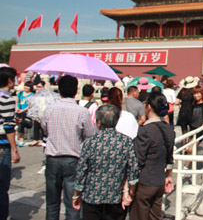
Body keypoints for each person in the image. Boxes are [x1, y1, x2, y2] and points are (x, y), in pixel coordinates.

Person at [41, 75, 95, 220]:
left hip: (53, 158)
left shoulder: (50, 109)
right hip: (73, 160)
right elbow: (90, 136)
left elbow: (45, 130)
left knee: (52, 204)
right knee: (73, 204)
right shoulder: (82, 111)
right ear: (76, 90)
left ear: (59, 90)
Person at [72, 104, 139, 220]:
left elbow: (81, 170)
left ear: (98, 122)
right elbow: (133, 170)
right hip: (115, 196)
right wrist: (129, 192)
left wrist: (76, 194)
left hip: (91, 195)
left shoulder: (90, 142)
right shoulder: (126, 141)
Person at [131, 92, 175, 220]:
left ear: (149, 107)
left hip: (145, 181)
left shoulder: (145, 130)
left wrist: (131, 187)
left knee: (139, 215)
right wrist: (169, 175)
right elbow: (170, 156)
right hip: (159, 180)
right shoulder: (168, 129)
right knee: (155, 216)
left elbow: (138, 160)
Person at [0, 66, 21, 220]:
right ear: (9, 80)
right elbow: (8, 127)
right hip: (2, 147)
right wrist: (14, 149)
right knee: (2, 188)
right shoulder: (7, 99)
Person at [15, 81, 35, 147]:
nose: (26, 87)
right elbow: (16, 101)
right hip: (18, 110)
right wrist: (17, 108)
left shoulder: (32, 95)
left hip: (25, 111)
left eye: (28, 86)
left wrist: (23, 110)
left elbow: (30, 105)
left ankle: (20, 138)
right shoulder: (20, 93)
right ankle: (19, 138)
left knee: (22, 124)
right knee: (17, 124)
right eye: (25, 86)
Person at [28, 81, 46, 146]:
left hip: (44, 112)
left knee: (43, 127)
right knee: (36, 126)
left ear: (43, 87)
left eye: (39, 87)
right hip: (37, 111)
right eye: (37, 87)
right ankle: (35, 139)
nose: (38, 88)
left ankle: (42, 139)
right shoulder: (35, 94)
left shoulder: (46, 95)